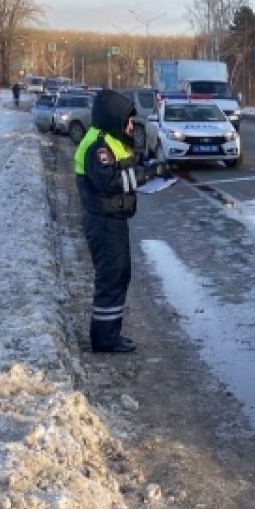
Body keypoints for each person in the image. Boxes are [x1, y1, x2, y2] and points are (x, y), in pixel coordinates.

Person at [75, 89, 171, 353]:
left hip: (112, 220)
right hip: (103, 222)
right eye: (127, 121)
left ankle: (110, 334)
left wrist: (150, 164)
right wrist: (149, 174)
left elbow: (126, 165)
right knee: (111, 277)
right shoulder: (98, 147)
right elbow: (113, 181)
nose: (130, 126)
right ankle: (105, 340)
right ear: (113, 119)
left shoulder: (110, 140)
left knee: (119, 275)